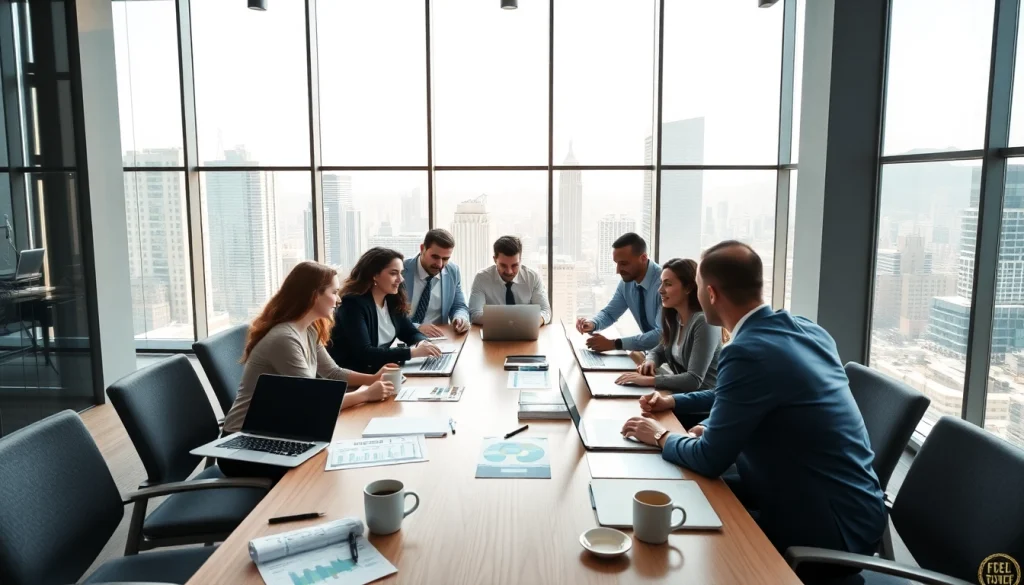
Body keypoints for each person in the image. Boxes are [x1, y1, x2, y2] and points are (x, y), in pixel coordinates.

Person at [620, 241, 886, 561]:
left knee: (690, 538)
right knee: (686, 493)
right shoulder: (806, 329)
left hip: (828, 528)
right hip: (850, 506)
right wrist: (692, 414)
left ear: (712, 294)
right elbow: (738, 396)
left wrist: (660, 435)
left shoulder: (745, 351)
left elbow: (709, 458)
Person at [221, 261, 396, 479]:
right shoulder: (285, 338)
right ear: (314, 295)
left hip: (276, 430)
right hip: (244, 446)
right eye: (334, 292)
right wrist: (365, 394)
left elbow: (333, 373)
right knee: (329, 471)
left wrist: (373, 378)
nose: (339, 299)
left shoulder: (309, 330)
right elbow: (312, 403)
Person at [615, 259, 721, 414]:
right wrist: (650, 361)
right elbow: (658, 350)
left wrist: (649, 380)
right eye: (661, 283)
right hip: (680, 398)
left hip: (703, 410)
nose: (660, 290)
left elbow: (693, 380)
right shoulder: (677, 318)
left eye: (668, 284)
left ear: (689, 287)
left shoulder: (703, 322)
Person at [330, 247, 442, 374]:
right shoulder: (352, 304)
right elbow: (365, 353)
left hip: (379, 371)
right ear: (375, 275)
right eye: (393, 273)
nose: (401, 279)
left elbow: (410, 333)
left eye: (401, 273)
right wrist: (412, 352)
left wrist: (422, 343)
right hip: (354, 378)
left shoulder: (392, 299)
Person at [576, 232, 662, 352]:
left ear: (643, 258)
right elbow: (610, 314)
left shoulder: (664, 285)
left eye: (624, 263)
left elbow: (660, 335)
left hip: (669, 361)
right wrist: (592, 324)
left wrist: (614, 344)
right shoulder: (627, 283)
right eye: (617, 263)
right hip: (652, 356)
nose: (618, 270)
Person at [468, 235, 551, 326]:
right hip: (494, 333)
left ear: (520, 260)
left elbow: (545, 311)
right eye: (503, 265)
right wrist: (509, 321)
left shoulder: (533, 278)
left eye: (514, 265)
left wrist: (535, 321)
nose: (509, 271)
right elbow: (474, 314)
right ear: (495, 260)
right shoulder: (482, 278)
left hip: (525, 330)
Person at [403, 229, 471, 337]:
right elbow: (389, 314)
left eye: (445, 259)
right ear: (422, 249)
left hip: (439, 338)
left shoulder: (453, 271)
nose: (439, 264)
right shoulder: (401, 271)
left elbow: (459, 305)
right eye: (435, 257)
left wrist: (460, 318)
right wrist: (417, 328)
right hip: (405, 337)